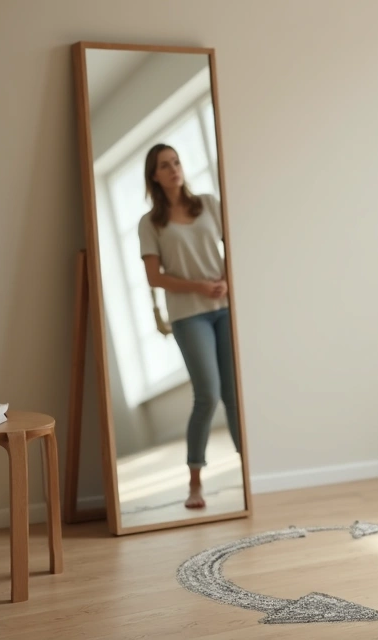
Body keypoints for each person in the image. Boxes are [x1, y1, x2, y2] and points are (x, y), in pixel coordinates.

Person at [137, 143, 241, 510]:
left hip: (225, 308)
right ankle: (194, 482)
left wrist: (226, 280)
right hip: (188, 315)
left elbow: (235, 245)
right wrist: (199, 286)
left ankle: (250, 474)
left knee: (235, 396)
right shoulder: (151, 223)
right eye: (165, 166)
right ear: (154, 175)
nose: (174, 169)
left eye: (177, 162)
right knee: (208, 394)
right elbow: (153, 277)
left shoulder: (209, 204)